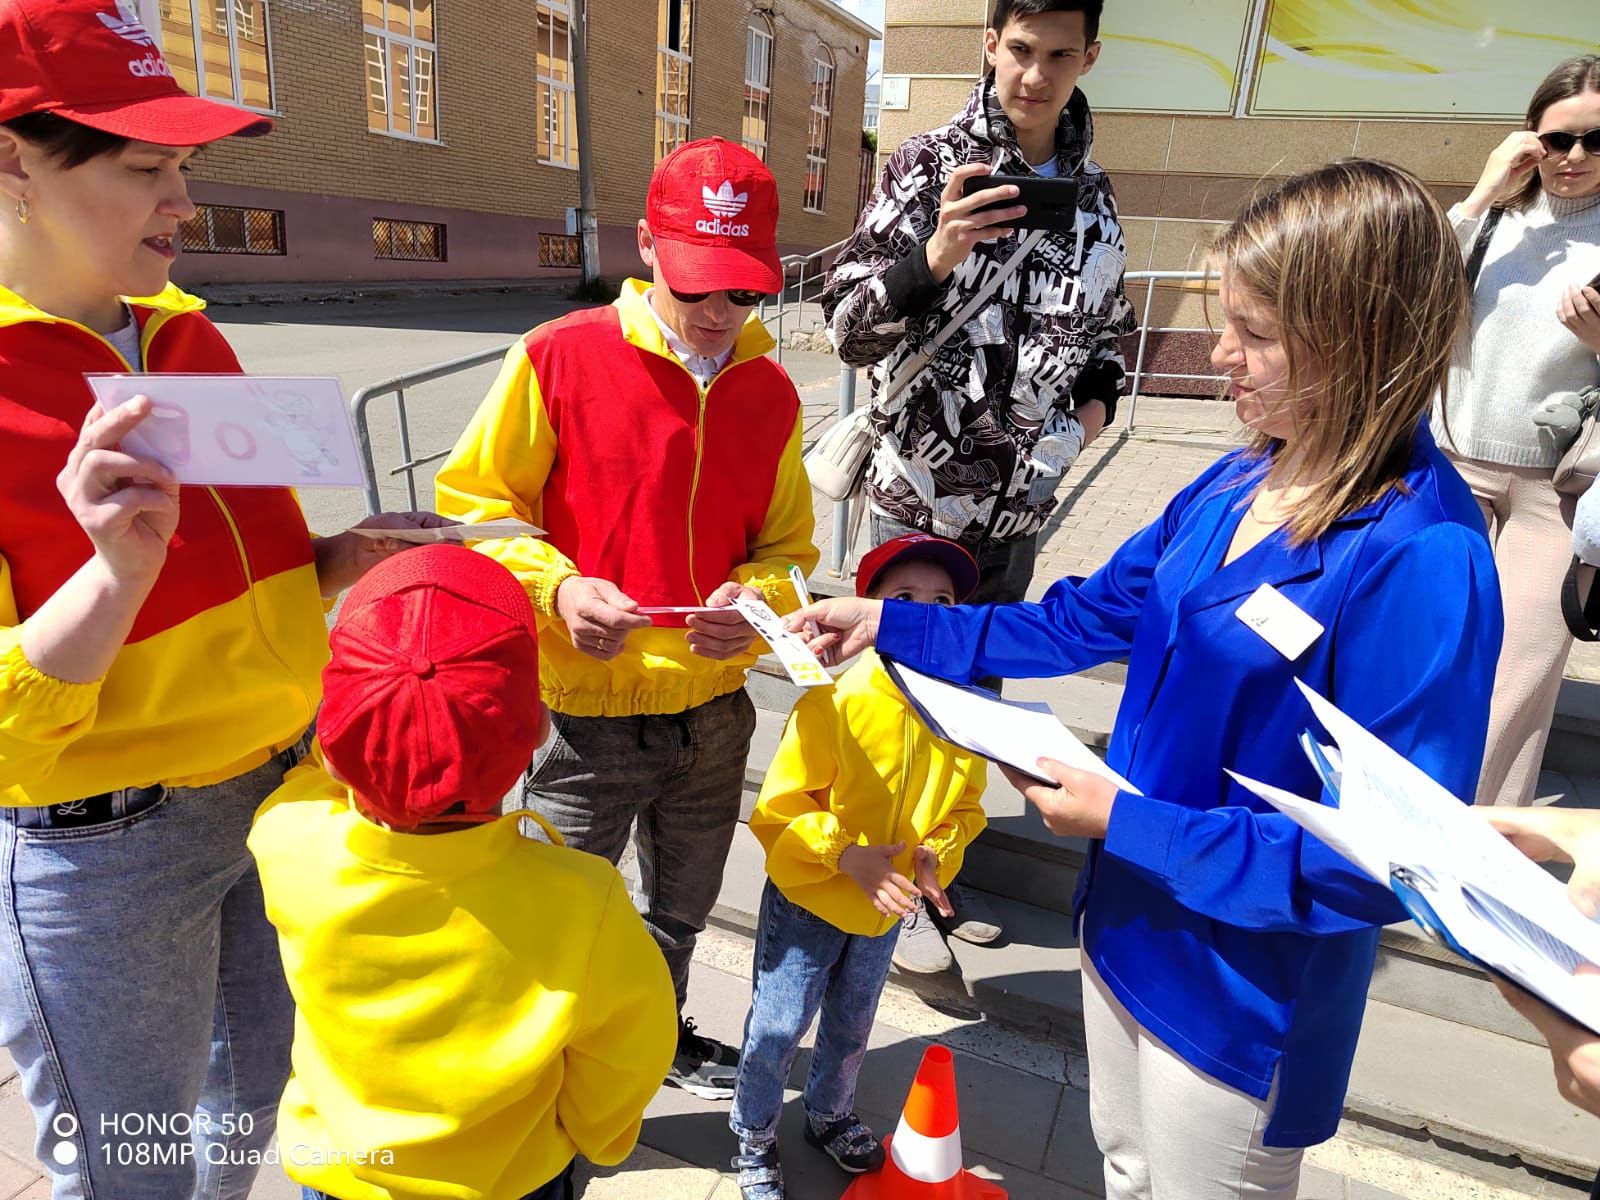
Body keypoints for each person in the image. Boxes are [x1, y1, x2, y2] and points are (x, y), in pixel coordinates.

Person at [791, 160, 1503, 1199]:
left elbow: (1383, 858)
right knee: (1125, 1174)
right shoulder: (1242, 473)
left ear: (1360, 335)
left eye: (1254, 332)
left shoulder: (1423, 555)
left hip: (1240, 989)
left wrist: (1125, 824)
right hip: (1124, 922)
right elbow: (1083, 617)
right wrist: (888, 621)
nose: (1220, 354)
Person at [0, 2, 434, 1195]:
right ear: (10, 164)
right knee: (128, 1169)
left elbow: (248, 563)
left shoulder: (186, 335)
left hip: (278, 790)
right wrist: (110, 576)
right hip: (109, 848)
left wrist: (340, 560)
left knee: (250, 1110)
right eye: (146, 168)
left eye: (184, 168)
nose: (185, 204)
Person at [434, 136, 817, 1100]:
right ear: (647, 244)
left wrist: (758, 607)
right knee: (549, 918)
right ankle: (533, 1084)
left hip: (714, 714)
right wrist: (557, 590)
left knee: (677, 917)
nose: (719, 316)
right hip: (582, 718)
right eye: (697, 289)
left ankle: (652, 1040)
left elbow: (788, 553)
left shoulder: (770, 391)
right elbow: (475, 507)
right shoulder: (557, 357)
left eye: (743, 293)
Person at [820, 0, 1134, 969]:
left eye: (1056, 56)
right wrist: (935, 255)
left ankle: (930, 868)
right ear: (988, 46)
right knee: (896, 701)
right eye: (1018, 51)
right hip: (920, 506)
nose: (1033, 76)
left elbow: (1110, 336)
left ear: (1086, 57)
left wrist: (1080, 428)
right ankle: (865, 877)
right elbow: (846, 327)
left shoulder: (1094, 197)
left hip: (1017, 510)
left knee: (971, 701)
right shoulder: (924, 165)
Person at [250, 544, 678, 1200]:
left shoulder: (286, 836)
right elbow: (628, 1057)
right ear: (536, 727)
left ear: (332, 754)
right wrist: (591, 1135)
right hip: (512, 1180)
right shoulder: (582, 902)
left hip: (340, 1170)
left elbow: (314, 766)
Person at [729, 533, 989, 1200]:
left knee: (853, 1018)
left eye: (942, 599)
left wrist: (935, 855)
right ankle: (754, 1131)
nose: (923, 610)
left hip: (884, 910)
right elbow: (782, 808)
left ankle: (829, 1113)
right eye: (903, 597)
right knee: (781, 1022)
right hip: (811, 899)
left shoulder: (958, 711)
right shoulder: (833, 699)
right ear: (868, 608)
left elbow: (965, 805)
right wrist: (844, 855)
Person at [1432, 54, 1600, 807]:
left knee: (1516, 679)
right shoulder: (1490, 218)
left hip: (1557, 491)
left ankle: (1481, 852)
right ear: (1529, 135)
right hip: (1448, 468)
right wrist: (1479, 193)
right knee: (1432, 654)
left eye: (1598, 142)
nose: (1575, 158)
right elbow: (1401, 287)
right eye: (1558, 138)